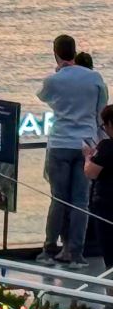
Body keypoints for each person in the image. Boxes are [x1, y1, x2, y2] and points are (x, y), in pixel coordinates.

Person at [38, 35, 108, 269]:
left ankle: (49, 249)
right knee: (80, 201)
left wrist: (59, 73)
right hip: (86, 143)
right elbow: (101, 107)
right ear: (75, 52)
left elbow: (44, 98)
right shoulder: (94, 77)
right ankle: (76, 253)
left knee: (58, 199)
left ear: (55, 53)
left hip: (60, 142)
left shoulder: (53, 80)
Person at [83, 105, 113, 270]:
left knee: (110, 256)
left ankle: (109, 293)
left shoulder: (107, 147)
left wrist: (88, 157)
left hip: (107, 207)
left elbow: (91, 173)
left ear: (110, 124)